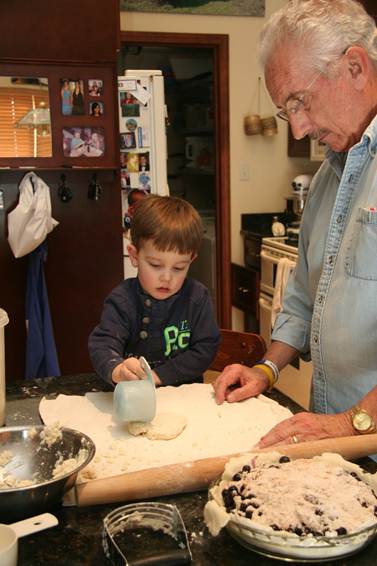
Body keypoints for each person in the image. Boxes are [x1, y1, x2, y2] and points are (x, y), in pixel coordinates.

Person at [213, 0, 377, 448]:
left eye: (300, 101)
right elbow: (306, 295)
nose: (300, 129)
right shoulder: (329, 176)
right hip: (335, 440)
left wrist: (351, 424)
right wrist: (267, 369)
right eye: (288, 111)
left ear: (356, 67)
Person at [88, 195, 221, 387]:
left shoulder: (197, 298)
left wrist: (159, 376)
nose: (166, 278)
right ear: (134, 256)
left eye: (178, 268)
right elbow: (103, 344)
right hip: (133, 397)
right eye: (156, 265)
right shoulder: (122, 300)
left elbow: (206, 348)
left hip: (185, 398)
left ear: (191, 260)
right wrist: (117, 370)